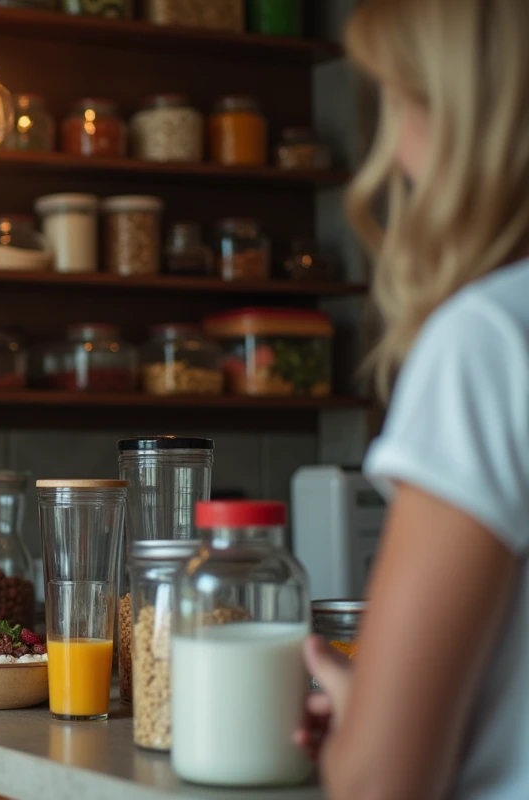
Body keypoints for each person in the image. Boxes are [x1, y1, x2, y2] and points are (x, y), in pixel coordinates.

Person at [297, 1, 529, 798]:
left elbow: (381, 786)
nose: (394, 150)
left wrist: (362, 728)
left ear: (470, 110)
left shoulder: (490, 339)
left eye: (399, 100)